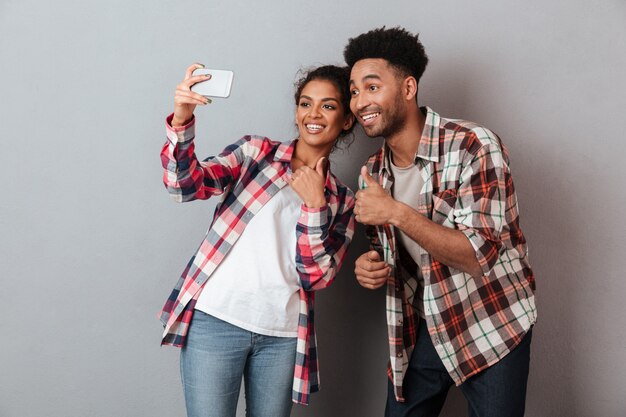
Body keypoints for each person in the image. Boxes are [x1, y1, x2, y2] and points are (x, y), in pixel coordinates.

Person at [345, 27, 537, 417]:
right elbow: (390, 251)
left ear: (408, 87)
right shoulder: (373, 173)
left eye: (371, 87)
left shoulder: (474, 145)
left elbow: (476, 256)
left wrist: (396, 212)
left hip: (492, 319)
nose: (359, 101)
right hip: (424, 325)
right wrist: (371, 266)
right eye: (353, 91)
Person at [158, 63, 356, 417]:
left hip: (281, 336)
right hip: (216, 319)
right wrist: (182, 120)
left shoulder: (342, 200)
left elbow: (316, 277)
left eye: (328, 106)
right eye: (305, 103)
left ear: (346, 120)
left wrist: (314, 205)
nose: (313, 114)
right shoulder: (255, 153)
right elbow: (184, 186)